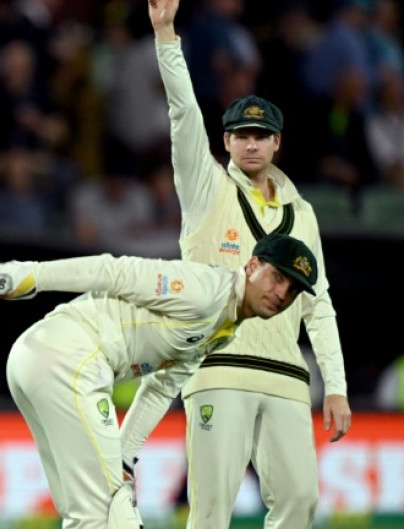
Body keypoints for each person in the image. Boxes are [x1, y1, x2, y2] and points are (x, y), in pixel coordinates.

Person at [0, 233, 320, 529]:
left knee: (89, 516)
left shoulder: (225, 325)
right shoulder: (206, 289)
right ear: (252, 265)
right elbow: (112, 271)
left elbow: (162, 387)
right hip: (68, 357)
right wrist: (23, 275)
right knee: (113, 510)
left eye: (293, 289)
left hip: (42, 359)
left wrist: (125, 455)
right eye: (276, 277)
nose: (281, 293)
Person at [148, 1, 353, 528]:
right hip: (219, 369)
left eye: (261, 135)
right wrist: (167, 34)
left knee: (300, 503)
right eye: (241, 134)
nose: (251, 143)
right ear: (226, 142)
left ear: (277, 143)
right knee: (212, 510)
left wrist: (335, 386)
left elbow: (319, 301)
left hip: (287, 376)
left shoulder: (301, 212)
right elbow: (182, 113)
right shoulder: (205, 190)